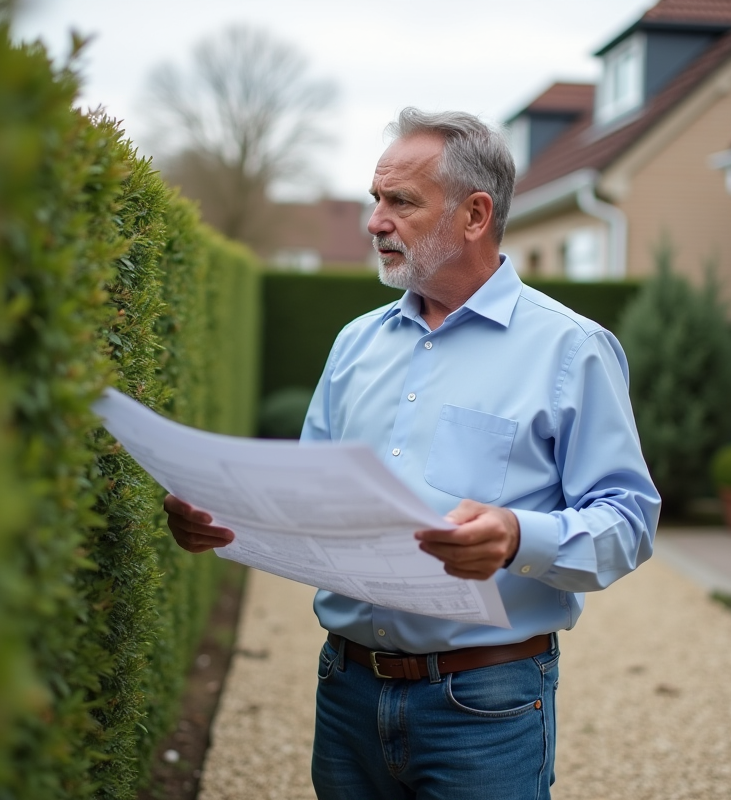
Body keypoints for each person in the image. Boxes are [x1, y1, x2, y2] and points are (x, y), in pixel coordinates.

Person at [163, 108, 660, 800]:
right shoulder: (354, 345)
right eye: (375, 199)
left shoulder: (570, 350)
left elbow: (629, 521)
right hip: (345, 693)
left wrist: (520, 535)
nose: (374, 221)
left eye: (400, 201)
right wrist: (227, 522)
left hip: (485, 706)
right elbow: (310, 498)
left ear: (475, 215)